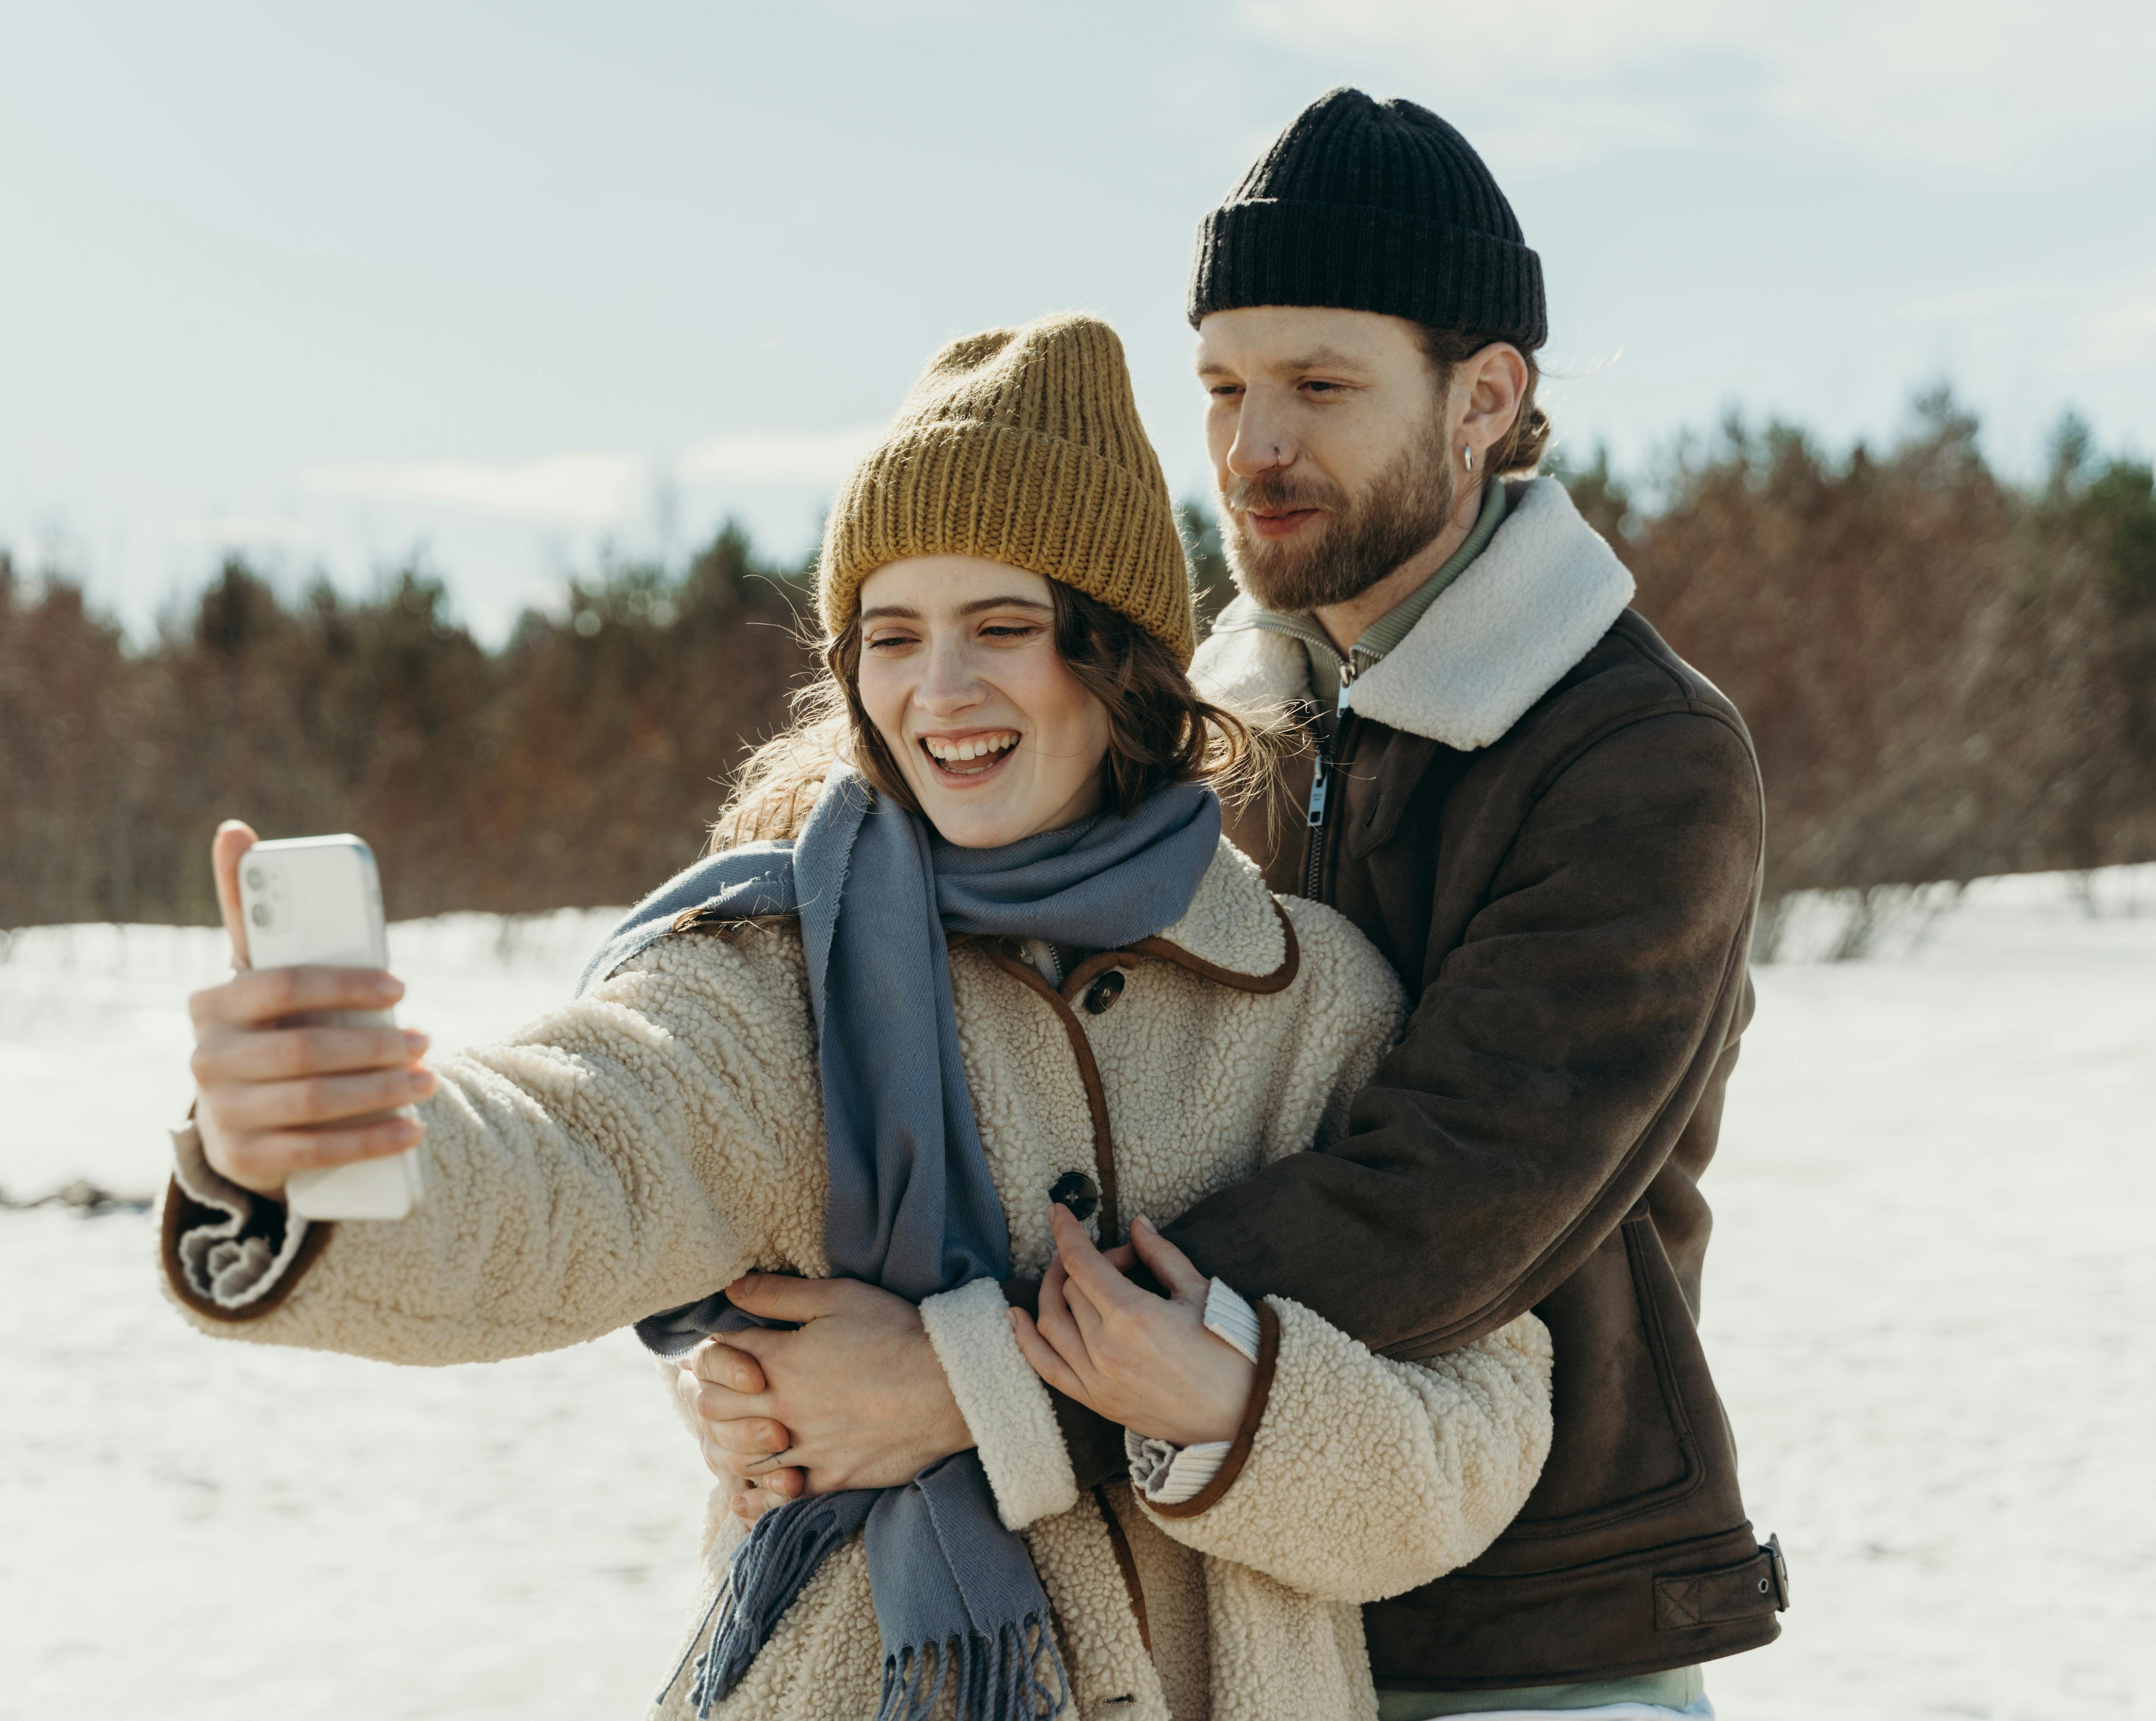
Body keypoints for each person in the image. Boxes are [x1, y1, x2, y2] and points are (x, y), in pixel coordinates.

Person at [161, 312, 1557, 1721]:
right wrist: (304, 1151)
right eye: (892, 636)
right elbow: (572, 1153)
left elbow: (1481, 1435)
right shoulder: (783, 975)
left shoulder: (1312, 1003)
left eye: (1001, 627)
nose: (938, 692)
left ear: (1114, 655)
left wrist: (1222, 1397)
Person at [685, 89, 1781, 1720]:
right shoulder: (1198, 733)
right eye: (1222, 387)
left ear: (1486, 398)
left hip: (1534, 1624)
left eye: (1321, 388)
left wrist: (959, 1382)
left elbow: (1452, 1201)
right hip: (1228, 1596)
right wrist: (782, 1363)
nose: (1252, 448)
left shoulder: (1635, 758)